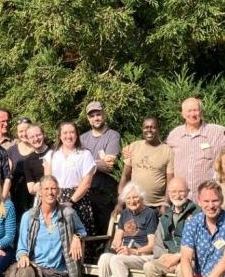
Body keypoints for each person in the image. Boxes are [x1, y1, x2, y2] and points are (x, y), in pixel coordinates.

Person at [11, 175, 86, 277]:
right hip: (36, 270)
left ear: (58, 191)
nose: (50, 192)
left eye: (53, 188)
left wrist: (77, 237)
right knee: (25, 271)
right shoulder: (29, 216)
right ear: (39, 192)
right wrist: (23, 255)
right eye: (46, 189)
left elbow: (82, 230)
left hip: (59, 273)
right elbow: (21, 247)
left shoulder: (68, 213)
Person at [94, 183, 158, 277]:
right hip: (126, 252)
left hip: (144, 255)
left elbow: (152, 245)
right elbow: (116, 240)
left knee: (117, 261)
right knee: (105, 258)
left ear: (142, 198)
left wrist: (133, 251)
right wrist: (118, 246)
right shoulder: (124, 214)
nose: (132, 201)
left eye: (135, 197)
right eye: (128, 198)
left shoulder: (150, 214)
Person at [142, 178, 197, 277]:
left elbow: (200, 243)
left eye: (181, 191)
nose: (177, 195)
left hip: (191, 259)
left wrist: (179, 258)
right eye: (173, 192)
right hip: (169, 258)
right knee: (150, 266)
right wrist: (166, 258)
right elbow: (158, 244)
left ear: (188, 192)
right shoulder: (165, 216)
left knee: (181, 270)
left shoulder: (197, 213)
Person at [167, 97, 225, 202]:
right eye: (189, 111)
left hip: (207, 199)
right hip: (181, 199)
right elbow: (162, 152)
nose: (193, 114)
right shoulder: (175, 135)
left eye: (196, 110)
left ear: (201, 112)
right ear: (183, 114)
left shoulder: (216, 132)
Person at [44, 122, 96, 234]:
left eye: (72, 132)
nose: (69, 136)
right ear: (60, 135)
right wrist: (54, 200)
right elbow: (47, 181)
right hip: (55, 198)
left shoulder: (85, 154)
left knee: (79, 235)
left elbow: (86, 183)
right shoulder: (52, 155)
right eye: (65, 132)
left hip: (78, 200)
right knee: (54, 233)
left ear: (77, 135)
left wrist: (71, 201)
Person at [80, 101, 121, 238]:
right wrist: (97, 164)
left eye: (98, 114)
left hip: (105, 192)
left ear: (103, 115)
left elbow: (109, 164)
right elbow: (77, 164)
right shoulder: (82, 138)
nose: (96, 118)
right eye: (92, 116)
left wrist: (86, 164)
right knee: (87, 229)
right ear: (88, 119)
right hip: (85, 191)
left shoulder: (113, 135)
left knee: (105, 230)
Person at [120, 117, 174, 208]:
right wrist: (120, 202)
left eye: (153, 127)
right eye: (146, 127)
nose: (149, 130)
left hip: (156, 206)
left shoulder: (167, 151)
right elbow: (125, 176)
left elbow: (170, 182)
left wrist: (165, 204)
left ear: (158, 129)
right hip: (134, 205)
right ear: (142, 129)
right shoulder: (134, 147)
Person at [12, 124, 49, 213]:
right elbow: (31, 189)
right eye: (32, 137)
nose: (36, 139)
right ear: (28, 139)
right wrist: (46, 179)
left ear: (43, 134)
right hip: (41, 201)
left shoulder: (55, 152)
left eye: (38, 135)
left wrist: (38, 184)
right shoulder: (28, 161)